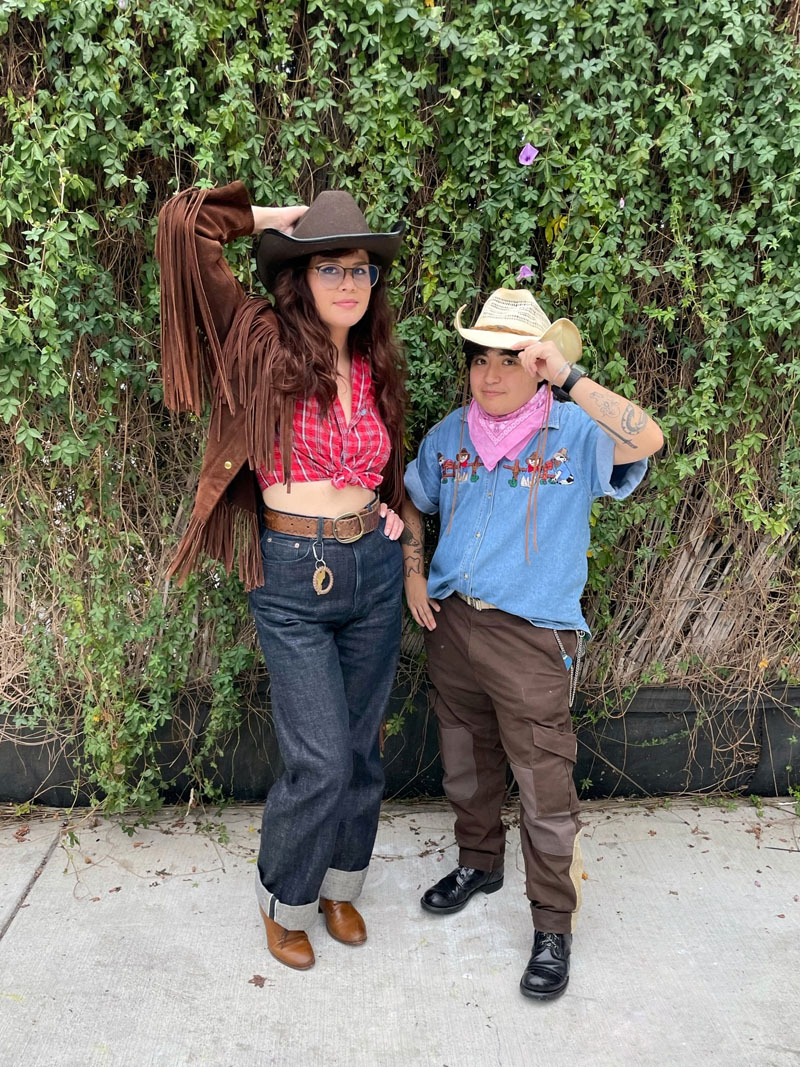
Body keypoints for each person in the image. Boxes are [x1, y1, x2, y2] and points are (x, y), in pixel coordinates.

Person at [156, 181, 407, 971]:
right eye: (329, 266)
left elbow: (383, 468)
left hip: (370, 566)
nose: (348, 284)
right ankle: (285, 896)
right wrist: (273, 225)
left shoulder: (374, 361)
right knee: (322, 757)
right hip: (293, 576)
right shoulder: (259, 336)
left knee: (362, 750)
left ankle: (340, 883)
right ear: (298, 275)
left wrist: (389, 519)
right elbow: (187, 228)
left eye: (361, 269)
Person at [401, 288, 663, 1000]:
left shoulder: (575, 431)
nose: (490, 376)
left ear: (539, 364)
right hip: (453, 625)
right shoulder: (449, 435)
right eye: (480, 359)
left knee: (545, 786)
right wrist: (414, 574)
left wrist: (569, 377)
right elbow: (414, 501)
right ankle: (478, 862)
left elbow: (648, 440)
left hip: (534, 636)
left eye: (510, 360)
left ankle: (553, 926)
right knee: (466, 759)